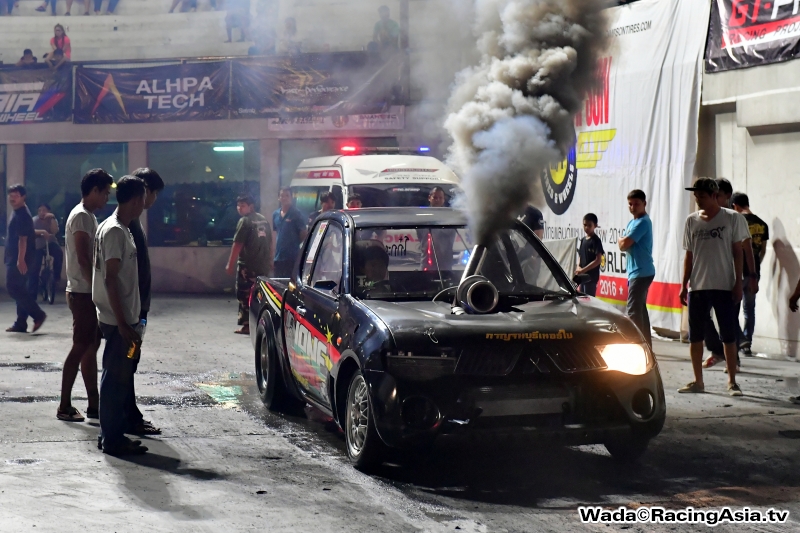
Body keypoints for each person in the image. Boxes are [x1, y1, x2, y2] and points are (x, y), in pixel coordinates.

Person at [677, 178, 750, 397]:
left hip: (724, 285)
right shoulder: (691, 221)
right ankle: (698, 381)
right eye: (695, 195)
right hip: (698, 286)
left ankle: (732, 380)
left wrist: (739, 282)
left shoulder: (732, 218)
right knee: (696, 336)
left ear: (714, 196)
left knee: (728, 335)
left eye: (701, 195)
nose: (697, 199)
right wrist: (683, 284)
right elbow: (688, 255)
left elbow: (739, 252)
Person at [94, 176, 148, 456]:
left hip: (123, 320)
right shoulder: (115, 231)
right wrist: (124, 323)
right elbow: (110, 280)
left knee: (117, 378)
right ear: (136, 200)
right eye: (143, 199)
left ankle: (110, 435)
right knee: (115, 380)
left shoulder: (119, 228)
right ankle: (112, 439)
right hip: (119, 323)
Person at [58, 169, 113, 422]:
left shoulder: (87, 216)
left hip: (84, 292)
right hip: (83, 293)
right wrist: (97, 291)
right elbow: (83, 258)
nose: (106, 199)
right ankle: (64, 405)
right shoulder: (81, 217)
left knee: (90, 347)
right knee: (81, 346)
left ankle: (94, 404)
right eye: (104, 194)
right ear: (93, 191)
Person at [701, 178, 757, 370]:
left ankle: (734, 360)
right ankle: (717, 350)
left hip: (733, 278)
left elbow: (747, 249)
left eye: (719, 195)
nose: (714, 198)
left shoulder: (735, 218)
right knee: (702, 315)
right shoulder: (705, 217)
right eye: (712, 194)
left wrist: (752, 277)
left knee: (729, 318)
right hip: (708, 278)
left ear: (727, 196)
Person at [126, 167, 165, 436]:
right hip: (133, 310)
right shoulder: (127, 225)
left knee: (130, 361)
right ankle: (128, 418)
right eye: (155, 194)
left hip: (138, 308)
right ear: (146, 191)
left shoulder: (134, 222)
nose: (154, 200)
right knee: (126, 362)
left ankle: (130, 415)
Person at [226, 195, 273, 335]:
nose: (240, 208)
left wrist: (230, 263)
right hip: (262, 266)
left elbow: (238, 244)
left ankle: (246, 325)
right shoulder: (263, 220)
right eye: (238, 205)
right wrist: (270, 260)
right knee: (259, 295)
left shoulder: (245, 221)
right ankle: (259, 323)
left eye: (243, 205)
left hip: (248, 266)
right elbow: (270, 242)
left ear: (251, 206)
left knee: (244, 294)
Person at [5, 185, 47, 334]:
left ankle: (38, 314)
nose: (12, 198)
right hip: (17, 256)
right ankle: (21, 322)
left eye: (16, 195)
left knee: (13, 287)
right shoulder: (19, 212)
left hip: (19, 257)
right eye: (10, 195)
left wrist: (20, 259)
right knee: (20, 288)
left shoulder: (22, 214)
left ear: (23, 197)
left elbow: (23, 239)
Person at [731, 192, 768, 357]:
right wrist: (755, 267)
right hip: (754, 273)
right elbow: (763, 252)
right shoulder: (762, 224)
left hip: (738, 272)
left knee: (732, 309)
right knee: (749, 309)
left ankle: (739, 339)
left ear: (735, 206)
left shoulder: (738, 221)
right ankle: (747, 343)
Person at [618, 190, 655, 347]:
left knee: (633, 310)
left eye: (636, 204)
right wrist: (622, 240)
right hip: (637, 272)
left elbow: (624, 244)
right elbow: (624, 243)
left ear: (644, 204)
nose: (633, 207)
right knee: (640, 309)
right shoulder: (632, 222)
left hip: (641, 272)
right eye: (630, 204)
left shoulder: (642, 222)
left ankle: (636, 344)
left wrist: (621, 239)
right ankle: (645, 344)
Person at [272, 188, 306, 278]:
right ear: (278, 198)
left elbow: (303, 233)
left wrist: (293, 243)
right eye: (282, 196)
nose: (284, 198)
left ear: (291, 197)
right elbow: (275, 234)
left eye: (287, 195)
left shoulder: (296, 214)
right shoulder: (275, 214)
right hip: (278, 257)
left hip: (292, 258)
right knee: (278, 285)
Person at [31, 203, 64, 297]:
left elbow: (54, 231)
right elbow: (30, 231)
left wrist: (52, 218)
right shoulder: (34, 220)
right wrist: (42, 232)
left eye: (44, 210)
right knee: (35, 266)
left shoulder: (52, 220)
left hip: (50, 243)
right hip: (37, 245)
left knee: (59, 253)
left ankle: (56, 278)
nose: (42, 212)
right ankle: (33, 292)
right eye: (40, 210)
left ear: (49, 211)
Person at [575, 213, 603, 297]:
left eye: (589, 225)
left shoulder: (596, 241)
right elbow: (580, 255)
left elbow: (598, 260)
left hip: (591, 277)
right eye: (585, 225)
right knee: (582, 299)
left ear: (595, 225)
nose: (586, 228)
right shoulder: (583, 240)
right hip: (582, 277)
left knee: (589, 299)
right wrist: (578, 267)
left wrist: (583, 270)